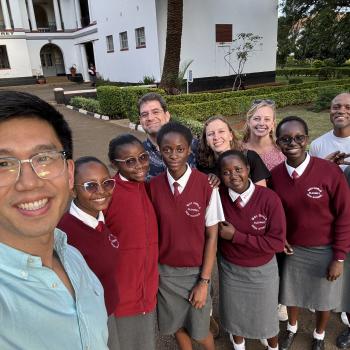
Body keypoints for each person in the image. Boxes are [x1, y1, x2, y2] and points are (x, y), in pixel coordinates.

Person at [0, 91, 108, 349]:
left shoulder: (73, 258)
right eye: (3, 164)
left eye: (44, 158)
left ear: (70, 174)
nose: (29, 182)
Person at [269, 116, 350, 350]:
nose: (292, 142)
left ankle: (319, 335)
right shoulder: (275, 176)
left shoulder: (329, 172)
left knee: (323, 298)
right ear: (278, 143)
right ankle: (292, 329)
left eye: (298, 137)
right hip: (293, 249)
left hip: (325, 249)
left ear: (307, 140)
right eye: (285, 138)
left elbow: (345, 216)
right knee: (292, 294)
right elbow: (274, 213)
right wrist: (281, 236)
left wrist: (339, 257)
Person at [149, 122, 225, 350]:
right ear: (159, 150)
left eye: (180, 149)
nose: (173, 155)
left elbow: (212, 236)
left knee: (201, 332)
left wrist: (204, 281)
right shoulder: (152, 187)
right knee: (177, 327)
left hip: (195, 273)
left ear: (189, 150)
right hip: (165, 274)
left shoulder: (206, 186)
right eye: (167, 149)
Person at [217, 150, 286, 350]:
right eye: (226, 172)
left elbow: (276, 243)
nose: (233, 175)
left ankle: (273, 347)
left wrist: (236, 236)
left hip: (262, 270)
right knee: (235, 314)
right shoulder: (218, 198)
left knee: (266, 317)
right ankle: (239, 346)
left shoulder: (269, 198)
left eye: (238, 169)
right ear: (221, 176)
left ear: (248, 170)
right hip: (231, 269)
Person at [104, 134, 158, 350]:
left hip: (148, 288)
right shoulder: (107, 193)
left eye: (143, 157)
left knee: (145, 342)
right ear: (114, 164)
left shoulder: (148, 187)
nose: (139, 166)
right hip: (122, 293)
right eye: (129, 161)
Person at [58, 156, 119, 316]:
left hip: (107, 311)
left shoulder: (99, 220)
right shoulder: (65, 235)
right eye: (90, 186)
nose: (101, 191)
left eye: (107, 183)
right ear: (72, 190)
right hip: (89, 319)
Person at [197, 115, 270, 186]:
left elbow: (262, 192)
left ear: (230, 136)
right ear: (206, 141)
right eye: (210, 134)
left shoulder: (250, 157)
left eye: (221, 131)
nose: (216, 137)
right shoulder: (203, 166)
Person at [138, 92, 197, 178]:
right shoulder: (138, 154)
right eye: (144, 114)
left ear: (167, 115)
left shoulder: (192, 144)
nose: (150, 118)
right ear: (140, 120)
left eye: (155, 112)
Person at [309, 92, 350, 171]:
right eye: (336, 107)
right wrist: (324, 166)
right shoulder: (316, 145)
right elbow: (312, 179)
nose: (341, 111)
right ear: (330, 112)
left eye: (348, 107)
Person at [242, 99, 285, 171]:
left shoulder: (282, 149)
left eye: (267, 119)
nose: (261, 123)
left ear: (272, 124)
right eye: (256, 119)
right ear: (248, 121)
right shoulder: (239, 150)